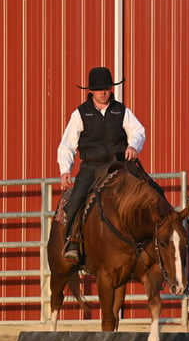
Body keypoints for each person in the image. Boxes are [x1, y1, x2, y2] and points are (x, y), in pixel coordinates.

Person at [57, 66, 146, 263]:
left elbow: (138, 131)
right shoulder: (80, 114)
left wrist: (133, 145)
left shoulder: (121, 110)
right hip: (91, 167)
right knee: (75, 201)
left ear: (111, 88)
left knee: (149, 191)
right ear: (91, 91)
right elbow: (67, 144)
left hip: (118, 165)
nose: (103, 92)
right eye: (99, 89)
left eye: (106, 88)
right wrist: (65, 170)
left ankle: (149, 242)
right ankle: (72, 241)